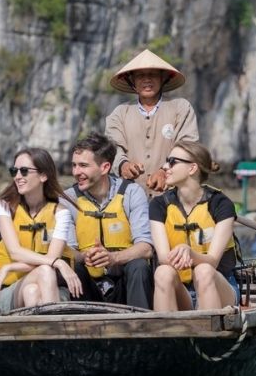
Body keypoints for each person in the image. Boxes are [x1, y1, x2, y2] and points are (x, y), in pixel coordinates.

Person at [0, 147, 83, 313]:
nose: (17, 177)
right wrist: (58, 263)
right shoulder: (4, 207)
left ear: (43, 176)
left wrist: (9, 268)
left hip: (49, 286)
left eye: (24, 171)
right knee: (46, 269)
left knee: (32, 291)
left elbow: (50, 258)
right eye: (14, 171)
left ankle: (40, 337)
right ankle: (56, 332)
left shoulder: (61, 213)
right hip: (10, 290)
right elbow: (15, 252)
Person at [149, 140, 241, 312]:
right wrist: (180, 254)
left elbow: (212, 261)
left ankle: (211, 336)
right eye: (167, 160)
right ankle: (165, 336)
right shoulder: (158, 205)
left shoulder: (221, 204)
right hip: (181, 290)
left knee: (204, 270)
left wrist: (189, 252)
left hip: (220, 287)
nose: (164, 166)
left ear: (192, 169)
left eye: (172, 162)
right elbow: (163, 257)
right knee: (162, 272)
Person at [66, 132, 154, 309]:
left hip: (124, 280)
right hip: (87, 284)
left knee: (139, 266)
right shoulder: (67, 199)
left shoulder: (132, 193)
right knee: (73, 268)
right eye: (74, 165)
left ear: (105, 167)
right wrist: (85, 256)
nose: (76, 172)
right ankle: (80, 329)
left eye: (83, 166)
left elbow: (146, 248)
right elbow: (69, 251)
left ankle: (142, 328)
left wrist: (113, 258)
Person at [105, 48, 199, 194]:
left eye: (153, 75)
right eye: (140, 75)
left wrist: (164, 171)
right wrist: (124, 165)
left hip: (173, 195)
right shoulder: (120, 113)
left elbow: (188, 147)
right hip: (128, 196)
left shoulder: (181, 108)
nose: (147, 80)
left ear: (163, 79)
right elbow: (113, 147)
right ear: (132, 81)